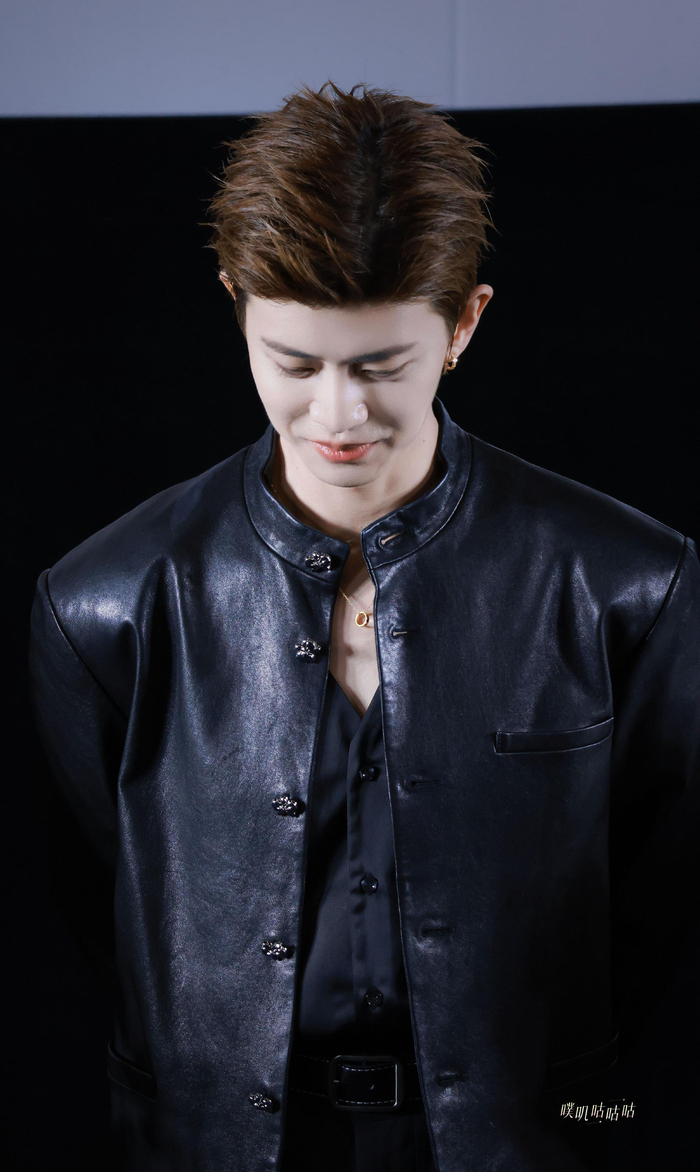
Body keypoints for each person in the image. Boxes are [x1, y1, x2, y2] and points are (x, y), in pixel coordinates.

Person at [28, 80, 700, 1172]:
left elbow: (660, 913)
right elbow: (103, 917)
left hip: (533, 1144)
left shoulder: (629, 582)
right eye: (293, 363)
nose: (337, 414)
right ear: (235, 303)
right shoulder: (104, 600)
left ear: (465, 321)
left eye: (382, 366)